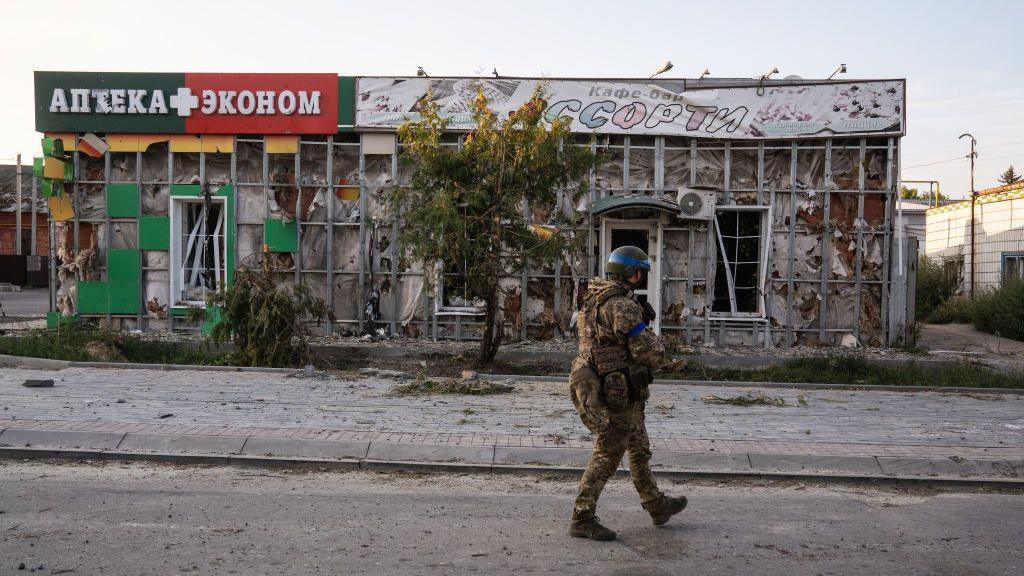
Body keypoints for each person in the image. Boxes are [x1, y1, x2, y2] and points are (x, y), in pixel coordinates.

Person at [568, 245, 687, 541]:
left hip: (616, 384)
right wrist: (662, 349)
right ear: (632, 273)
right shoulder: (621, 305)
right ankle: (582, 517)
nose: (642, 277)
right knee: (608, 453)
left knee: (638, 448)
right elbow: (646, 350)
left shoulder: (594, 297)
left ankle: (656, 505)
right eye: (641, 272)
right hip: (617, 389)